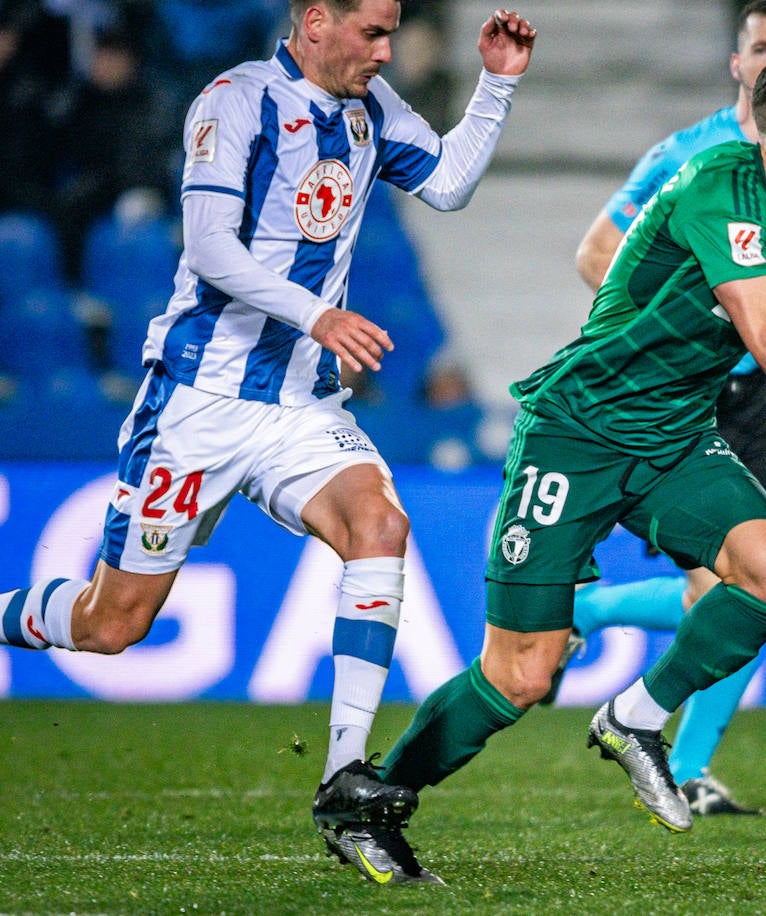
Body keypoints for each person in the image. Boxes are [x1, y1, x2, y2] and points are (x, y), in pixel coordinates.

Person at [360, 49, 766, 881]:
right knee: (523, 672)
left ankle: (636, 717)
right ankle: (372, 803)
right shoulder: (718, 185)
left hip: (676, 432)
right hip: (577, 430)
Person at [0, 0, 536, 885]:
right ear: (316, 20)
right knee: (111, 623)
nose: (387, 49)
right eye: (371, 31)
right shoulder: (236, 101)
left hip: (296, 404)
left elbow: (446, 184)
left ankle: (344, 782)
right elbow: (211, 250)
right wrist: (317, 312)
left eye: (393, 31)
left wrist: (497, 87)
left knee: (381, 527)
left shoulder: (369, 110)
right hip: (197, 408)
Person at [551, 0, 766, 819]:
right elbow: (594, 253)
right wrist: (679, 330)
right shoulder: (685, 157)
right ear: (736, 62)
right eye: (762, 47)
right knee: (719, 590)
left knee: (764, 587)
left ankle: (682, 757)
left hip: (748, 395)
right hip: (678, 393)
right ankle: (603, 635)